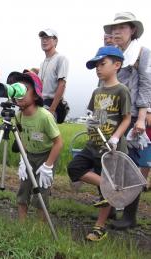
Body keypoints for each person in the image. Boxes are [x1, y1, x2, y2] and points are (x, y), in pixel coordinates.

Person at [67, 46, 131, 241]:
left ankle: (99, 227)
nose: (98, 68)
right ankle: (108, 187)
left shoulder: (122, 90)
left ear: (117, 65)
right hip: (93, 144)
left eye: (102, 64)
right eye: (96, 65)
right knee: (74, 168)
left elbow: (127, 118)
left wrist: (114, 138)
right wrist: (91, 122)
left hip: (111, 149)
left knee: (103, 192)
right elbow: (93, 115)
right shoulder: (97, 91)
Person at [103, 12, 151, 230]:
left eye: (122, 28)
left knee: (130, 166)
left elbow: (145, 86)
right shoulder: (113, 55)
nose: (116, 32)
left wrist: (141, 118)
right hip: (112, 115)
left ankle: (130, 216)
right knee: (112, 164)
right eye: (114, 29)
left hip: (131, 118)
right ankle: (112, 205)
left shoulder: (142, 53)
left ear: (132, 30)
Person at [8, 71, 62, 221]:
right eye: (17, 89)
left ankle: (40, 230)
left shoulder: (44, 116)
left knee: (41, 191)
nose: (19, 93)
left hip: (46, 156)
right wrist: (22, 160)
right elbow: (21, 137)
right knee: (23, 189)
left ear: (36, 95)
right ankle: (22, 226)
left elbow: (59, 142)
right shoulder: (19, 116)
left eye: (25, 89)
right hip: (29, 155)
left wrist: (48, 166)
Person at [38, 28, 69, 123]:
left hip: (51, 104)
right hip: (41, 103)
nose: (44, 40)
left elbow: (62, 85)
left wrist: (52, 109)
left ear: (55, 41)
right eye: (42, 38)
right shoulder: (42, 63)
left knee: (45, 137)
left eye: (47, 37)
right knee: (36, 136)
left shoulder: (61, 58)